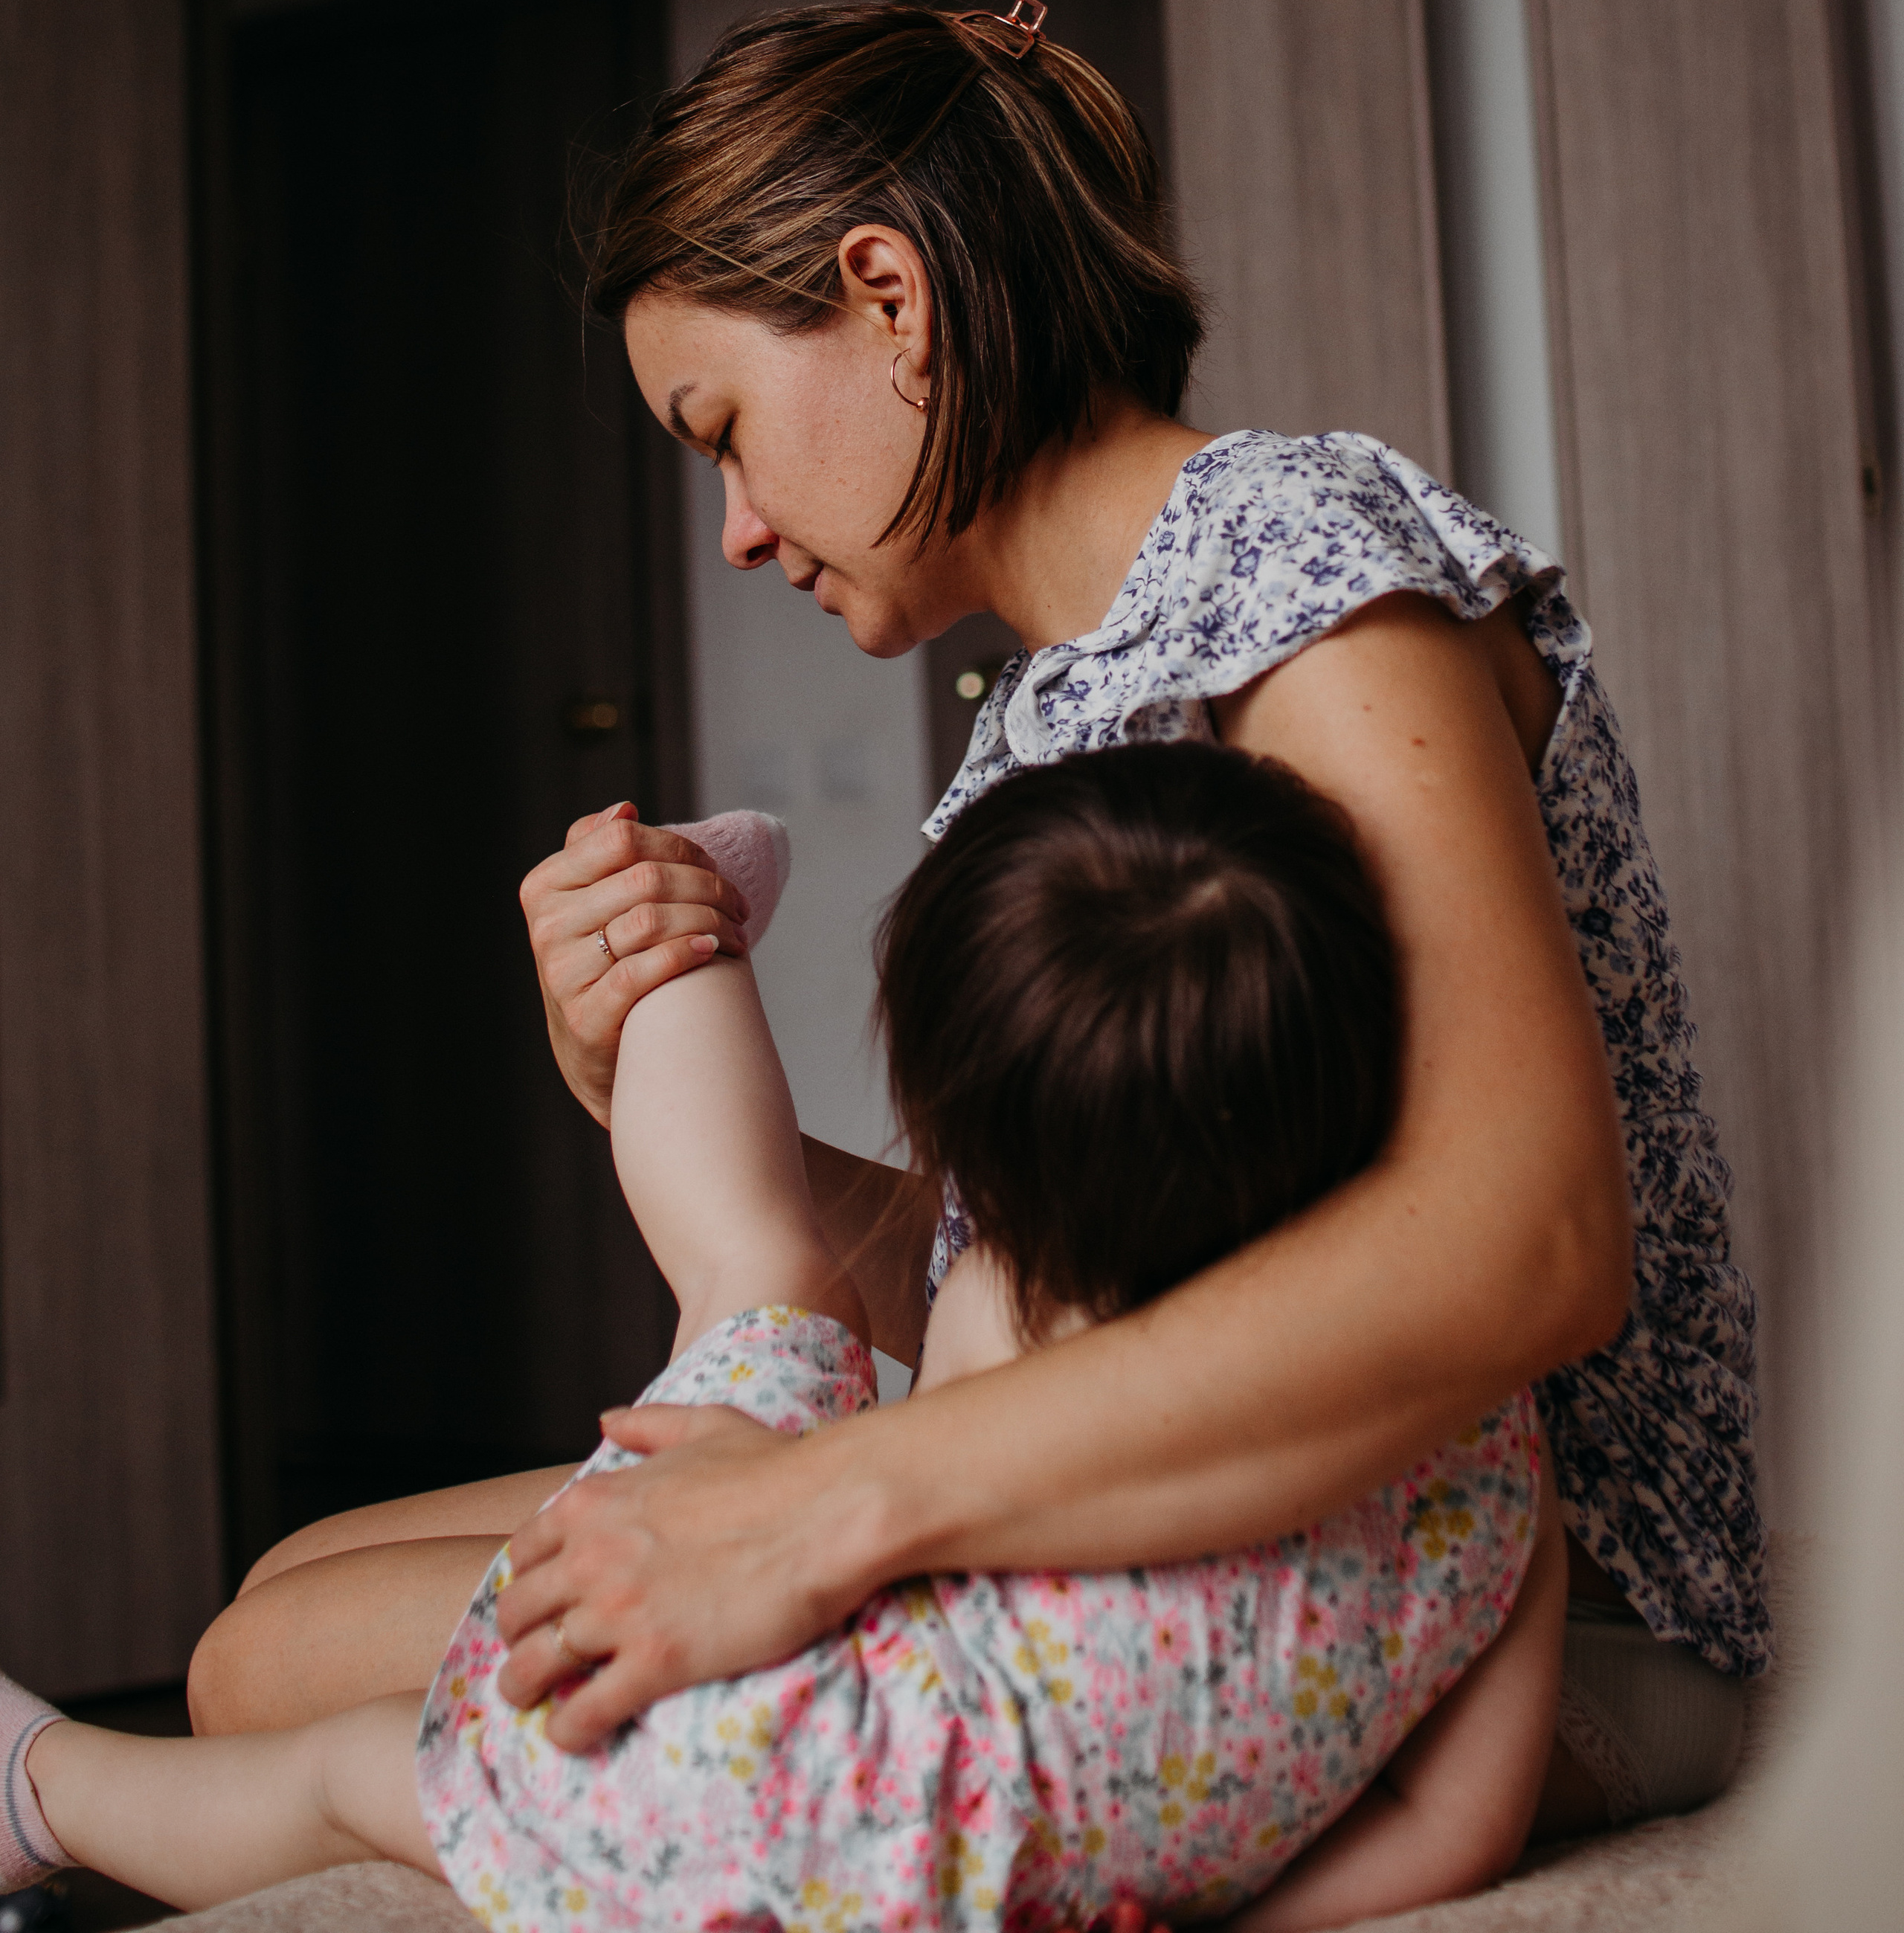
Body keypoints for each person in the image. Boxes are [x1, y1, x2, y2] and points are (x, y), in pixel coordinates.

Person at [190, 0, 1764, 1840]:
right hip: (1200, 1492)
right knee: (281, 1601)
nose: (738, 532)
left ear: (889, 297)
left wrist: (831, 1503)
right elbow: (1024, 1273)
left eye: (724, 433)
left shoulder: (1298, 558)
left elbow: (1530, 1239)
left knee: (268, 1676)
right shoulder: (1039, 715)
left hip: (1440, 1591)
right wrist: (651, 1084)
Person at [1, 768, 1563, 1926]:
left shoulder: (1004, 1304)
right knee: (358, 1771)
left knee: (765, 1272)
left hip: (728, 1734)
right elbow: (1456, 1827)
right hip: (790, 1871)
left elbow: (896, 1549)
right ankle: (43, 1780)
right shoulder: (1485, 1430)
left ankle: (673, 924)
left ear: (972, 1150)